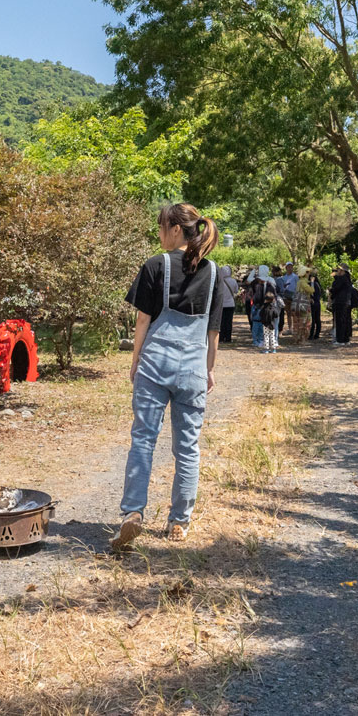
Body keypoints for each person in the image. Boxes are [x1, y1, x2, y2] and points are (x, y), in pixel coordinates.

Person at [113, 203, 224, 551]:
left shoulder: (155, 266)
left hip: (155, 363)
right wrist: (208, 370)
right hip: (193, 367)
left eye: (161, 226)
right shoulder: (214, 272)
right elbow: (214, 332)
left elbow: (143, 322)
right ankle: (179, 522)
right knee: (187, 447)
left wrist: (135, 362)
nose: (159, 233)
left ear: (176, 229)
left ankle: (133, 513)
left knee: (144, 439)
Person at [250, 265, 276, 349]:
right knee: (255, 325)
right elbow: (248, 280)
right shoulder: (255, 283)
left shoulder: (269, 284)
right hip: (256, 307)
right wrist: (254, 270)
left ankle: (261, 340)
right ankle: (255, 340)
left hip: (264, 307)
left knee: (263, 325)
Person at [330, 263, 354, 345]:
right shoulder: (348, 279)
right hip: (347, 302)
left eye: (339, 270)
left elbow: (335, 288)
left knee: (340, 321)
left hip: (340, 302)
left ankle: (340, 340)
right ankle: (346, 339)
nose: (338, 271)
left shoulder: (342, 279)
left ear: (343, 271)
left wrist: (331, 290)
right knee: (346, 320)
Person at [258, 280, 281, 354]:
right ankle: (274, 349)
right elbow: (276, 315)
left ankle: (266, 349)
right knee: (272, 336)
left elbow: (260, 314)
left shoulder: (263, 307)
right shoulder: (273, 308)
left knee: (266, 336)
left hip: (265, 324)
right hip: (272, 323)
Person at [292, 266, 314, 345]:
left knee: (297, 322)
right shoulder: (304, 282)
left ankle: (296, 339)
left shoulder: (299, 282)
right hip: (304, 305)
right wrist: (312, 283)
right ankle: (303, 340)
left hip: (297, 304)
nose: (309, 274)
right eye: (307, 272)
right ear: (305, 274)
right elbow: (311, 290)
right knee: (305, 322)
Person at [217, 265, 238, 345]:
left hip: (221, 304)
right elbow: (236, 291)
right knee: (229, 321)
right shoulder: (233, 281)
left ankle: (221, 337)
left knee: (221, 322)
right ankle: (228, 338)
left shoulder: (219, 281)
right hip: (230, 304)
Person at [277, 262, 299, 335]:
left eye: (291, 267)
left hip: (294, 296)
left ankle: (295, 328)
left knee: (294, 313)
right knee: (288, 313)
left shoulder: (295, 277)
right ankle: (290, 328)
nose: (290, 268)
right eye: (288, 267)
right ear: (286, 268)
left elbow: (298, 286)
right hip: (286, 297)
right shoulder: (284, 277)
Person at [308, 271, 324, 339]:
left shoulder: (312, 284)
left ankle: (311, 334)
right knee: (317, 319)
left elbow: (311, 293)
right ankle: (317, 334)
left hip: (312, 303)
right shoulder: (318, 284)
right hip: (318, 303)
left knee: (313, 319)